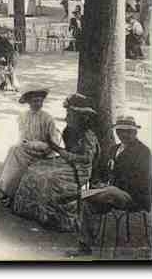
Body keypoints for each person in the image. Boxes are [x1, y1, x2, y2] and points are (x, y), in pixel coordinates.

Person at [12, 93, 101, 232]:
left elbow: (87, 159)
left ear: (80, 117)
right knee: (34, 169)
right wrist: (57, 149)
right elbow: (64, 150)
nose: (67, 117)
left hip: (80, 169)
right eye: (68, 113)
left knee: (49, 177)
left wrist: (61, 151)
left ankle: (52, 217)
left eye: (70, 114)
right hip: (67, 162)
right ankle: (33, 212)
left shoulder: (87, 135)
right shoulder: (69, 131)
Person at [69, 115, 151, 257]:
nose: (123, 135)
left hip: (133, 197)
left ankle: (72, 195)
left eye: (127, 131)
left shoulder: (143, 152)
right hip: (111, 193)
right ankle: (85, 245)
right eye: (120, 131)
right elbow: (103, 170)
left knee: (107, 190)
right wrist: (99, 182)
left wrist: (113, 185)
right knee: (88, 202)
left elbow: (141, 181)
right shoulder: (114, 149)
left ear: (134, 132)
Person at [0, 87, 62, 205]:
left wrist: (35, 145)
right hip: (28, 151)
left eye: (40, 101)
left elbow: (54, 143)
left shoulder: (48, 118)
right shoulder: (23, 117)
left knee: (16, 156)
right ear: (29, 102)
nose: (38, 103)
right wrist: (25, 144)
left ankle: (11, 193)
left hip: (44, 153)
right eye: (35, 101)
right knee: (14, 150)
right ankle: (8, 190)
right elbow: (22, 138)